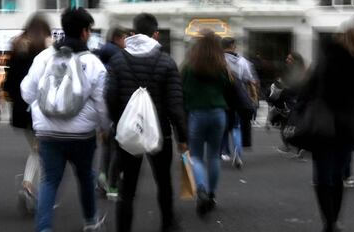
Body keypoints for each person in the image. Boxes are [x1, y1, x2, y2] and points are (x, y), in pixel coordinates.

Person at [20, 7, 110, 232]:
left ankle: (44, 228)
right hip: (82, 135)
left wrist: (40, 111)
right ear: (84, 32)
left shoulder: (44, 57)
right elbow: (102, 103)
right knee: (85, 177)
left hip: (48, 133)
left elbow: (27, 91)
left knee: (49, 181)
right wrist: (105, 127)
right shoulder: (93, 63)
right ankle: (90, 223)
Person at [105, 13, 188, 232]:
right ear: (156, 34)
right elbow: (175, 105)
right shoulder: (166, 61)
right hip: (160, 133)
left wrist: (119, 122)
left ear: (132, 33)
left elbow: (110, 97)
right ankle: (168, 225)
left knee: (127, 188)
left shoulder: (118, 60)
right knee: (163, 182)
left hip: (128, 134)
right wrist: (182, 136)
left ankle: (124, 228)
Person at [301, 22, 354, 232]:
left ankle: (328, 221)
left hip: (323, 123)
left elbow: (310, 87)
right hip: (348, 126)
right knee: (337, 175)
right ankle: (334, 221)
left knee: (322, 176)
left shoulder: (329, 57)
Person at [3, 13, 51, 214]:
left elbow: (9, 85)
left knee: (37, 150)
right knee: (40, 152)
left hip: (21, 112)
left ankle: (30, 189)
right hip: (41, 111)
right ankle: (29, 187)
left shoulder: (16, 49)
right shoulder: (45, 52)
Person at [182, 30, 231, 216]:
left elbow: (183, 91)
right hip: (218, 114)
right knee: (213, 156)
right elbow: (228, 87)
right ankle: (211, 194)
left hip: (196, 114)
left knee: (195, 156)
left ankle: (200, 189)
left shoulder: (189, 66)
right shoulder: (221, 66)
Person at [95, 26, 127, 199]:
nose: (126, 42)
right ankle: (112, 183)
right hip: (114, 108)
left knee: (107, 145)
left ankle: (103, 176)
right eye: (124, 38)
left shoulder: (102, 54)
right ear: (116, 38)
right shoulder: (118, 56)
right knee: (117, 147)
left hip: (103, 108)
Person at [220, 36, 258, 168]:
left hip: (222, 97)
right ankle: (238, 153)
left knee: (223, 126)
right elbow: (249, 79)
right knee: (236, 127)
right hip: (238, 97)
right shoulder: (242, 61)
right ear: (232, 46)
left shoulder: (218, 60)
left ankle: (224, 152)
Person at [268, 52, 307, 160]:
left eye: (289, 59)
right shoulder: (301, 72)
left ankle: (289, 146)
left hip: (291, 102)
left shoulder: (295, 73)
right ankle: (297, 148)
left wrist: (282, 86)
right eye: (287, 58)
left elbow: (290, 87)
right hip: (294, 102)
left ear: (295, 61)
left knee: (286, 125)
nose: (287, 60)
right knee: (293, 126)